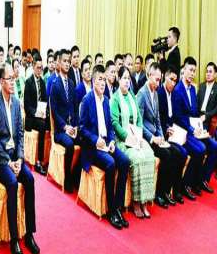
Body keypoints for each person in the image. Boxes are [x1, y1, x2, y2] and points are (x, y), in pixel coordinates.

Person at [0, 63, 40, 254]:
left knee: (30, 180)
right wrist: (9, 163)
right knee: (11, 183)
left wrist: (19, 158)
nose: (12, 81)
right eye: (9, 78)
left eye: (13, 78)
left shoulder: (17, 103)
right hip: (1, 160)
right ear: (2, 81)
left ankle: (30, 234)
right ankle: (14, 239)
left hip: (14, 157)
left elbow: (19, 135)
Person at [79, 65, 131, 229]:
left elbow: (110, 127)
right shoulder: (87, 100)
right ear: (93, 81)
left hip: (106, 144)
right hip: (92, 148)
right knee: (110, 163)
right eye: (99, 79)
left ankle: (118, 207)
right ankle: (111, 211)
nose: (102, 83)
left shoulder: (106, 100)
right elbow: (82, 129)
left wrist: (112, 140)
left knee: (125, 161)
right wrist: (96, 140)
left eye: (104, 79)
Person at [137, 62, 185, 208]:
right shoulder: (142, 94)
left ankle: (166, 191)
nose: (158, 83)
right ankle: (158, 193)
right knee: (167, 155)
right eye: (156, 80)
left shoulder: (155, 93)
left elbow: (157, 119)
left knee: (177, 153)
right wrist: (152, 138)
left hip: (157, 137)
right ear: (149, 76)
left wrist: (161, 135)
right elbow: (139, 123)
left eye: (160, 80)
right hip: (147, 138)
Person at [110, 67, 156, 218]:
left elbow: (139, 119)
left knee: (149, 154)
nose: (126, 81)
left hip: (136, 137)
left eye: (128, 78)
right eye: (124, 78)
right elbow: (115, 123)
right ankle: (136, 202)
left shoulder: (132, 96)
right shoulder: (115, 99)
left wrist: (139, 136)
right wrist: (128, 137)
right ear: (118, 79)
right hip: (122, 140)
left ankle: (145, 201)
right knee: (137, 159)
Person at [173, 57, 217, 195]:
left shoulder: (193, 89)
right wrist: (192, 130)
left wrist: (200, 128)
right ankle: (187, 184)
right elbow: (179, 118)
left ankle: (202, 180)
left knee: (215, 146)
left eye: (194, 71)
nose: (192, 73)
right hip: (183, 131)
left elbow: (195, 113)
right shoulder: (177, 90)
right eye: (190, 70)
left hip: (194, 130)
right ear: (184, 70)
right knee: (200, 149)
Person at [158, 66, 198, 202]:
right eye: (171, 79)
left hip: (173, 133)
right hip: (162, 134)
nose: (173, 83)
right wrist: (166, 129)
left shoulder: (173, 93)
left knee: (183, 153)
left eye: (175, 80)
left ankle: (176, 190)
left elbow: (175, 117)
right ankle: (163, 192)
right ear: (165, 77)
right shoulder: (160, 93)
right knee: (175, 154)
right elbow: (158, 119)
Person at [49, 49, 80, 193]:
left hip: (72, 128)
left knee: (86, 140)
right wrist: (65, 127)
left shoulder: (72, 84)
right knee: (69, 144)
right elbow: (54, 112)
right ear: (59, 63)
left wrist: (76, 126)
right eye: (65, 61)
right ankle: (67, 179)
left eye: (69, 61)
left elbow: (75, 107)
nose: (67, 64)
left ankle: (76, 176)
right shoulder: (55, 84)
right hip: (60, 131)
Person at [23, 55, 49, 176]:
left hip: (40, 115)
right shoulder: (28, 82)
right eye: (38, 68)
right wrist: (36, 113)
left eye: (41, 68)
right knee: (42, 125)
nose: (40, 70)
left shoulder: (43, 83)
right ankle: (39, 161)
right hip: (31, 117)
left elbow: (45, 101)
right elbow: (27, 105)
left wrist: (44, 112)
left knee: (48, 123)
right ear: (33, 67)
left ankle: (48, 159)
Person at [197, 62, 217, 130]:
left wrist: (206, 116)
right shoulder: (202, 86)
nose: (208, 74)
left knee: (199, 131)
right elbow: (196, 102)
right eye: (207, 71)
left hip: (209, 118)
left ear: (215, 74)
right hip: (198, 115)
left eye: (210, 72)